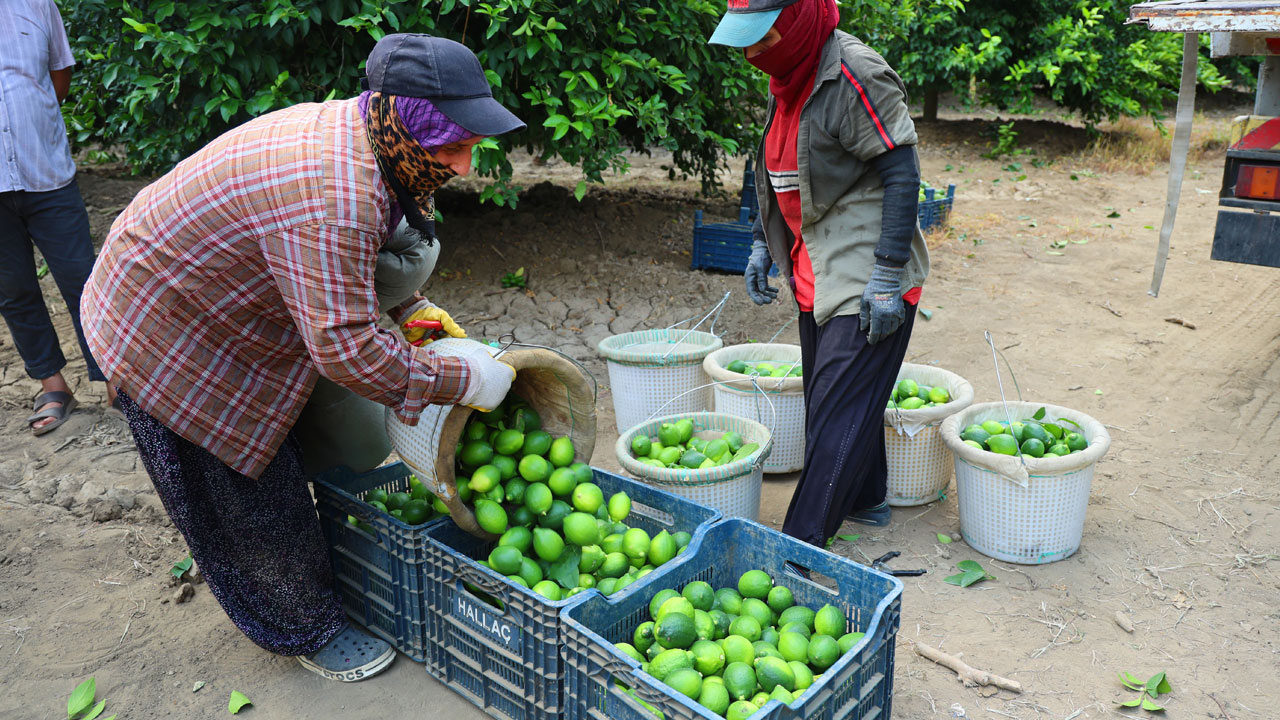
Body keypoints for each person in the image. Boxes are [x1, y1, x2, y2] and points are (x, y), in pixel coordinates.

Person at [80, 34, 523, 682]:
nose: (462, 165)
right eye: (451, 146)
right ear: (407, 129)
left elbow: (346, 270)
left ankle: (310, 581)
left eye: (470, 144)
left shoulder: (377, 140)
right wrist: (458, 377)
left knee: (277, 456)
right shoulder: (334, 194)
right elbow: (344, 347)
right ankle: (302, 628)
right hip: (166, 330)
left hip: (223, 303)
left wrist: (413, 313)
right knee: (242, 488)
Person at [710, 0, 930, 547]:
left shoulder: (854, 73)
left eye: (763, 37)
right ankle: (868, 497)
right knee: (836, 394)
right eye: (746, 39)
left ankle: (797, 552)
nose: (752, 53)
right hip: (814, 258)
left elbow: (903, 175)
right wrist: (763, 240)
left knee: (832, 416)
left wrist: (886, 279)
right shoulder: (788, 73)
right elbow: (777, 162)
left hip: (865, 263)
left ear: (800, 19)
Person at [1, 0, 116, 435]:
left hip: (47, 174)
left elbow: (58, 78)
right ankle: (53, 385)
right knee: (13, 289)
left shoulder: (37, 4)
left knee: (84, 282)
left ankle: (114, 382)